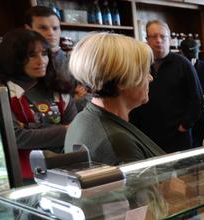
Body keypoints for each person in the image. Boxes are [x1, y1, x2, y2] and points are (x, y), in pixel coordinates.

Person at [64, 33, 165, 165]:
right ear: (122, 81)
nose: (150, 78)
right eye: (144, 72)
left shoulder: (84, 118)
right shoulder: (118, 143)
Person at [0, 29, 76, 181]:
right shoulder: (3, 91)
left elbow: (75, 132)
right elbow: (15, 138)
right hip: (24, 178)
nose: (41, 61)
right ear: (13, 58)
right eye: (32, 55)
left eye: (45, 53)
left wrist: (31, 128)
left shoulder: (59, 88)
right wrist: (63, 129)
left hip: (66, 171)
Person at [130, 20, 203, 153]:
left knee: (183, 173)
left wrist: (185, 125)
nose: (158, 40)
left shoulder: (183, 64)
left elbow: (197, 99)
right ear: (146, 40)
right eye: (154, 36)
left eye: (163, 36)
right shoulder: (140, 65)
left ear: (169, 39)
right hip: (148, 137)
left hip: (178, 136)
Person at [180, 38, 204, 148]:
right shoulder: (178, 69)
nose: (192, 61)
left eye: (194, 58)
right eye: (189, 58)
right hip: (185, 118)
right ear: (182, 52)